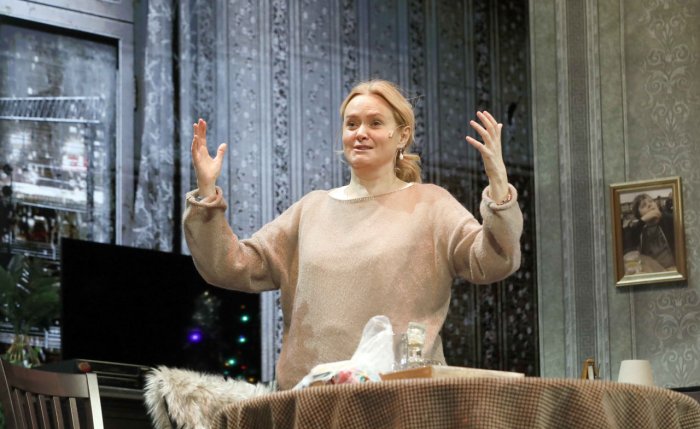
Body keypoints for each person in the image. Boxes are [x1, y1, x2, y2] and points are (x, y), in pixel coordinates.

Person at [183, 79, 523, 390]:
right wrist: (207, 192)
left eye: (375, 123)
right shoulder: (311, 210)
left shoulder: (430, 205)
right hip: (312, 402)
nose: (361, 133)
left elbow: (494, 260)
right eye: (352, 124)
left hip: (397, 400)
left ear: (402, 136)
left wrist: (498, 187)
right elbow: (229, 265)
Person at [623, 193, 675, 270]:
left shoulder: (668, 220)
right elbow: (629, 245)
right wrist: (642, 221)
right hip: (652, 270)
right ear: (639, 215)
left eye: (651, 201)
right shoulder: (640, 230)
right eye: (643, 205)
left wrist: (660, 215)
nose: (649, 205)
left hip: (674, 268)